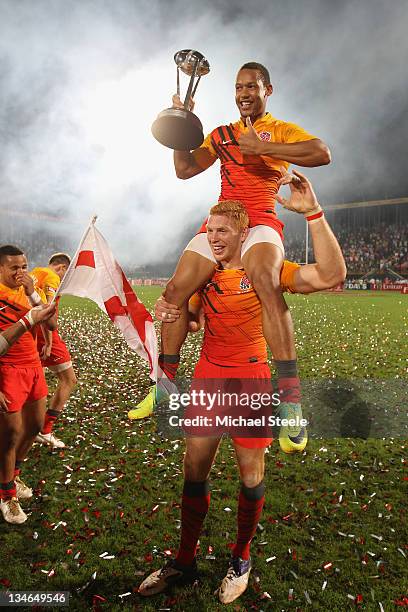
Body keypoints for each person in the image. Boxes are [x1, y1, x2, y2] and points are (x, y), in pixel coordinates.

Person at [137, 171, 346, 604]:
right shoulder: (205, 275)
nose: (212, 237)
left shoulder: (266, 269)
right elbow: (190, 319)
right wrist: (173, 313)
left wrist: (314, 214)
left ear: (243, 233)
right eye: (209, 230)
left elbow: (330, 274)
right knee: (194, 471)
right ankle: (185, 559)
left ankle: (241, 558)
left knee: (251, 475)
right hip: (209, 379)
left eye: (222, 231)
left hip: (250, 380)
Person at [135, 62, 331, 453]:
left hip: (259, 221)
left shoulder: (281, 130)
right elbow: (185, 169)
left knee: (265, 281)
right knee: (175, 290)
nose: (243, 93)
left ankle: (291, 402)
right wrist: (182, 127)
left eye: (251, 87)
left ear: (267, 90)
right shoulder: (222, 134)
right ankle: (166, 385)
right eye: (238, 87)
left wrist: (265, 148)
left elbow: (321, 153)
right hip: (223, 221)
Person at [0, 245, 57, 524]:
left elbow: (52, 324)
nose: (21, 272)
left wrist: (34, 293)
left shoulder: (30, 290)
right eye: (14, 268)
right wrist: (27, 320)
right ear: (0, 269)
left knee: (34, 426)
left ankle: (14, 475)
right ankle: (6, 495)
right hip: (7, 370)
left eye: (24, 266)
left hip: (33, 366)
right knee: (10, 435)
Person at [31, 253, 76, 449]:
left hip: (28, 332)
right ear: (62, 268)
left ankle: (27, 429)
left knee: (32, 385)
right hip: (42, 333)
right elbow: (47, 311)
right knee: (68, 379)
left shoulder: (35, 273)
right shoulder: (52, 277)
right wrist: (48, 341)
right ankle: (45, 430)